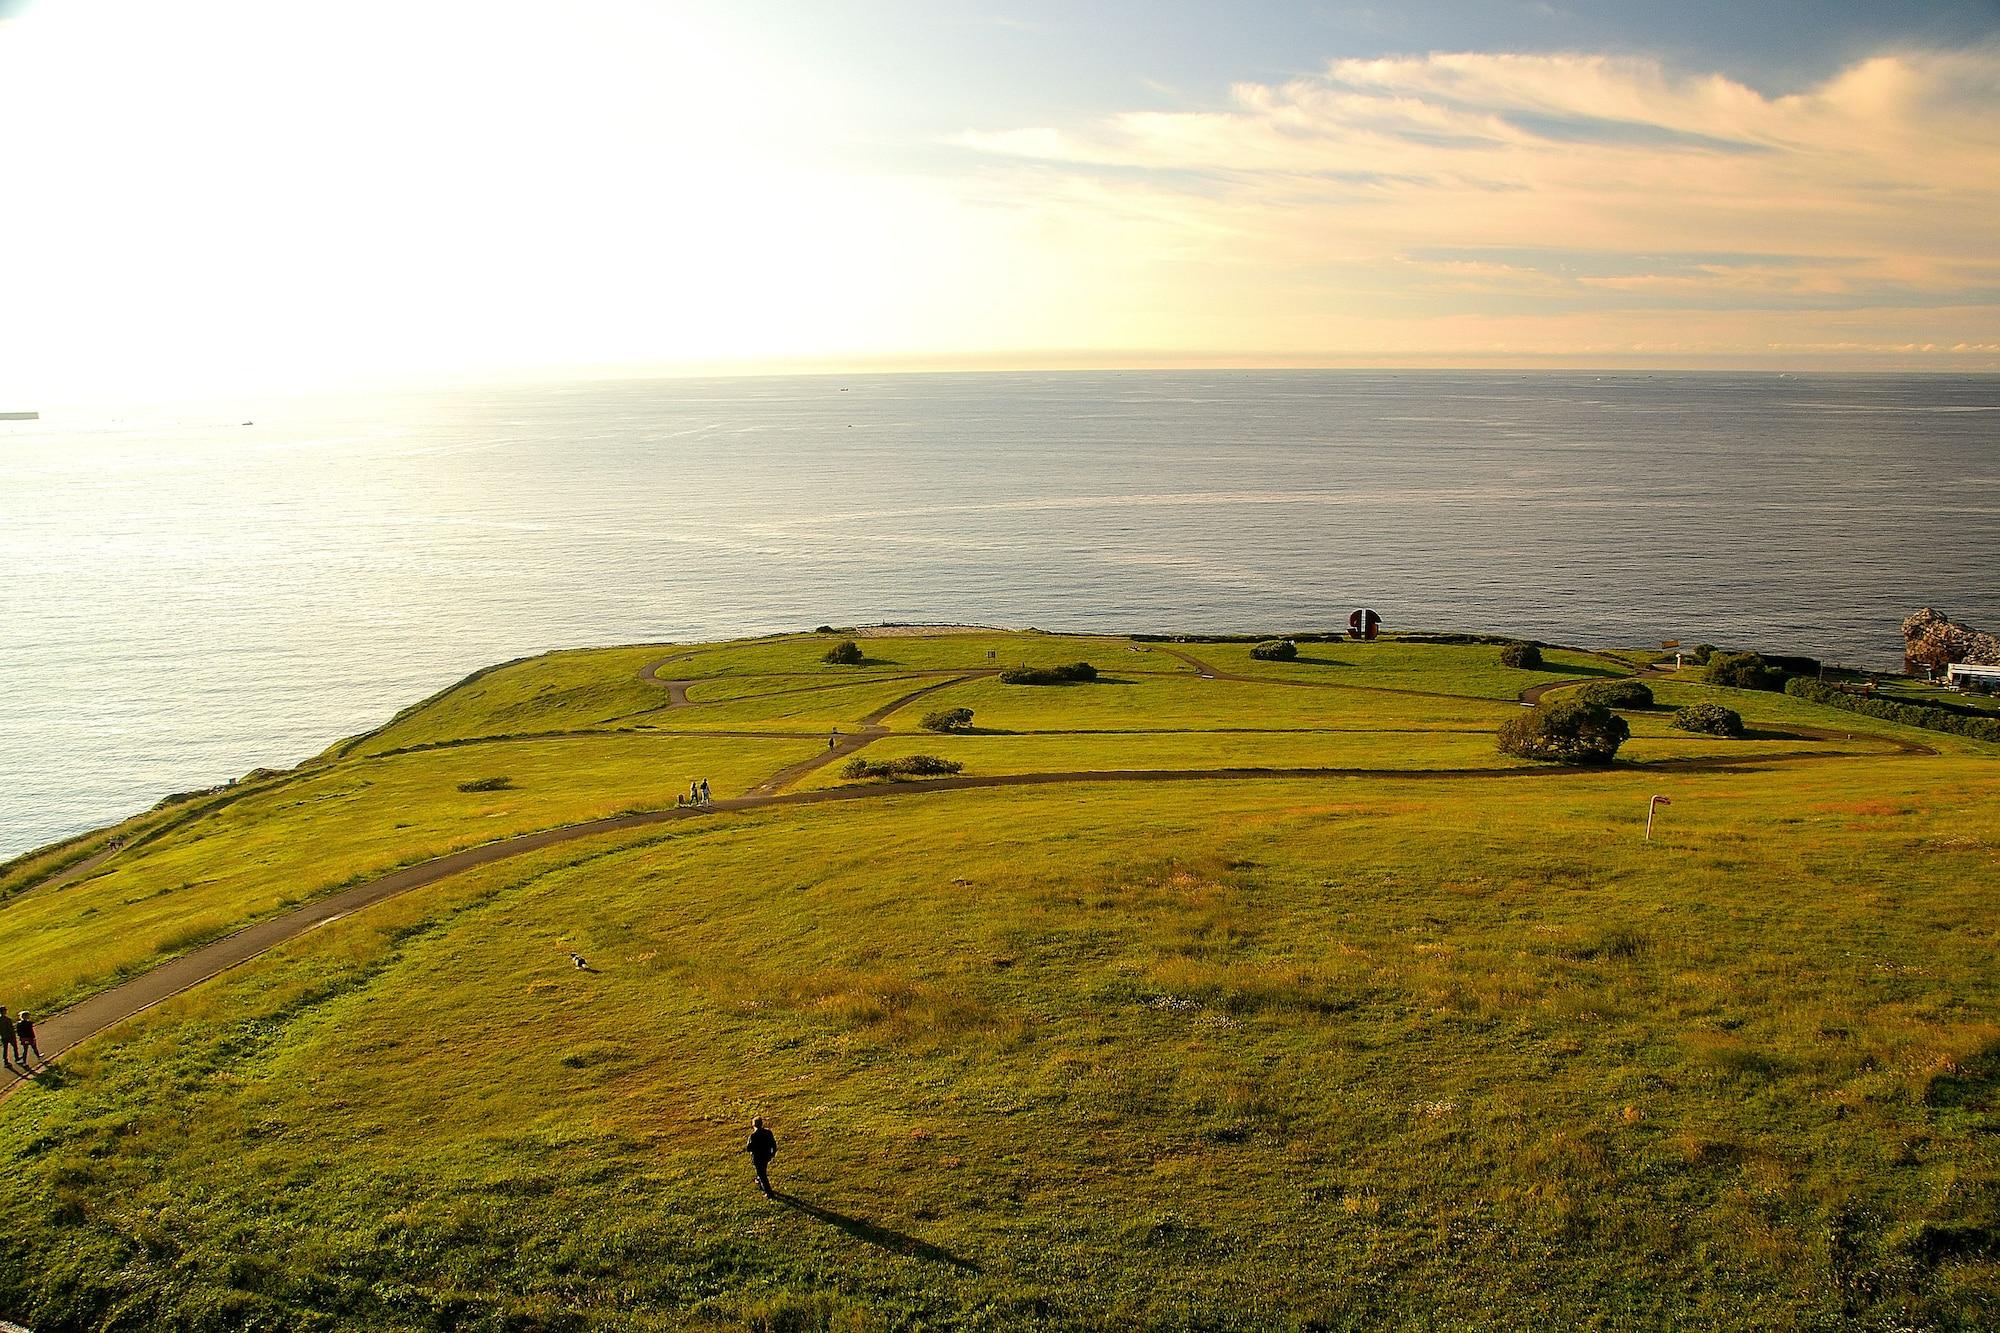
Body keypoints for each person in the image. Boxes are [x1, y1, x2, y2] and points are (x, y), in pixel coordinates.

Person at [744, 1116, 777, 1196]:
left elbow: (749, 1148)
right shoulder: (768, 1132)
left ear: (753, 1125)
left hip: (757, 1158)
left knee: (762, 1175)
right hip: (766, 1156)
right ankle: (759, 1181)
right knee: (762, 1171)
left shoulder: (753, 1136)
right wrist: (772, 1153)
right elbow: (773, 1144)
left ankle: (769, 1192)